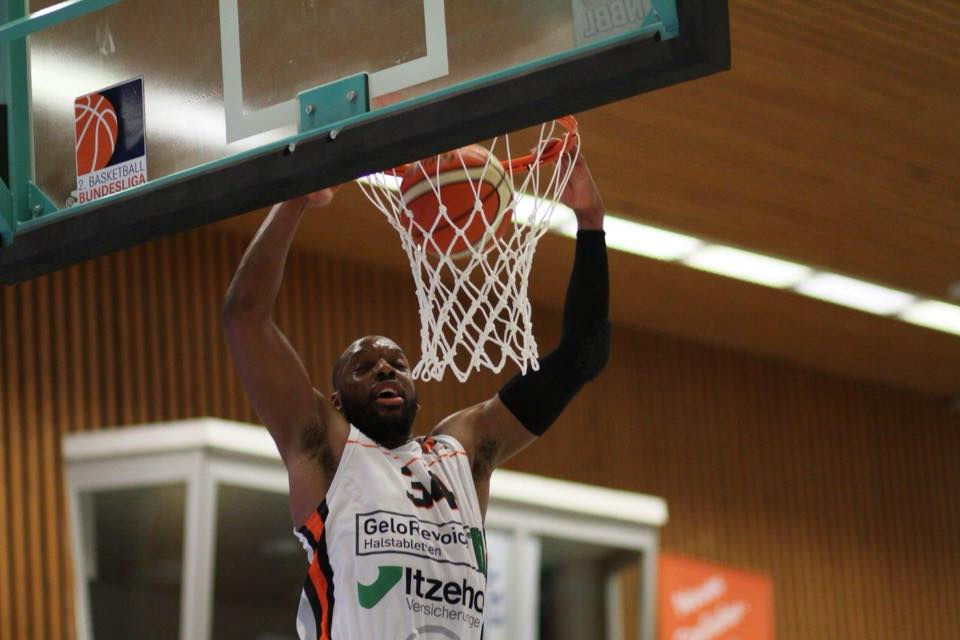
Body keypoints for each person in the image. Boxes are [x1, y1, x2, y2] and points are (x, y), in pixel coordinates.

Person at [221, 151, 610, 640]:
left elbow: (583, 353)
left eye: (398, 364)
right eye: (363, 368)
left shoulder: (460, 453)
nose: (385, 366)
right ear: (336, 401)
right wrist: (295, 199)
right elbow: (243, 316)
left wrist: (591, 223)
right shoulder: (328, 453)